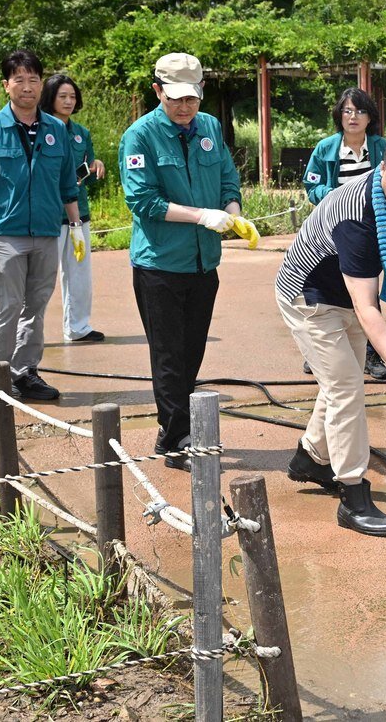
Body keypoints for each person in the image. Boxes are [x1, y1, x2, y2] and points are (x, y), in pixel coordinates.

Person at [275, 135, 386, 537]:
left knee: (339, 382)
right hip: (307, 293)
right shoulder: (357, 214)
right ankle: (352, 493)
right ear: (383, 171)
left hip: (345, 290)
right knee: (346, 386)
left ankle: (310, 458)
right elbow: (367, 308)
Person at [120, 53, 259, 471]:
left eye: (192, 99)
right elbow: (143, 201)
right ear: (158, 90)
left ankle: (172, 429)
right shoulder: (140, 136)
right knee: (168, 355)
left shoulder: (210, 128)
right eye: (176, 98)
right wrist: (201, 215)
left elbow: (225, 179)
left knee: (192, 349)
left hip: (203, 263)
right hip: (160, 264)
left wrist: (232, 212)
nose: (185, 108)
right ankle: (178, 436)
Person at [0, 49, 81, 403]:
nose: (27, 87)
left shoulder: (55, 130)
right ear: (6, 85)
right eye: (19, 80)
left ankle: (24, 372)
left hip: (47, 233)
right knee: (9, 307)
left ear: (40, 84)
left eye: (33, 80)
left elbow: (67, 184)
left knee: (37, 307)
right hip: (7, 235)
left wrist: (74, 226)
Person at [301, 87, 386, 381]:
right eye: (348, 111)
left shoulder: (381, 147)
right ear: (339, 115)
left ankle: (372, 354)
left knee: (366, 292)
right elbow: (312, 186)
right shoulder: (326, 148)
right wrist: (337, 197)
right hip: (330, 232)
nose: (353, 117)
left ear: (370, 117)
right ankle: (317, 351)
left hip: (366, 231)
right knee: (323, 293)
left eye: (360, 111)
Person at [39, 73, 105, 343]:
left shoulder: (81, 133)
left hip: (79, 212)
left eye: (72, 97)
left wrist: (96, 163)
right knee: (42, 277)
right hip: (49, 214)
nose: (68, 101)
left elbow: (87, 163)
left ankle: (78, 327)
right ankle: (32, 333)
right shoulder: (40, 128)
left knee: (79, 273)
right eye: (62, 96)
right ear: (50, 98)